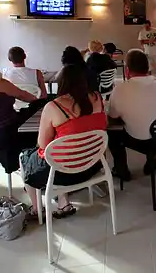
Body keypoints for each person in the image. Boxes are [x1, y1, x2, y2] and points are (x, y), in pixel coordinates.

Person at [20, 65, 106, 220]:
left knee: (25, 157)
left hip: (63, 173)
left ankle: (37, 209)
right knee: (63, 150)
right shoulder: (97, 98)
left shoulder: (54, 106)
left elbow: (42, 144)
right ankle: (63, 203)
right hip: (92, 165)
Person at [107, 50, 156, 180]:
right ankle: (152, 161)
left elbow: (112, 118)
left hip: (143, 141)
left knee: (113, 131)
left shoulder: (120, 89)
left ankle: (121, 170)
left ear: (127, 70)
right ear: (147, 68)